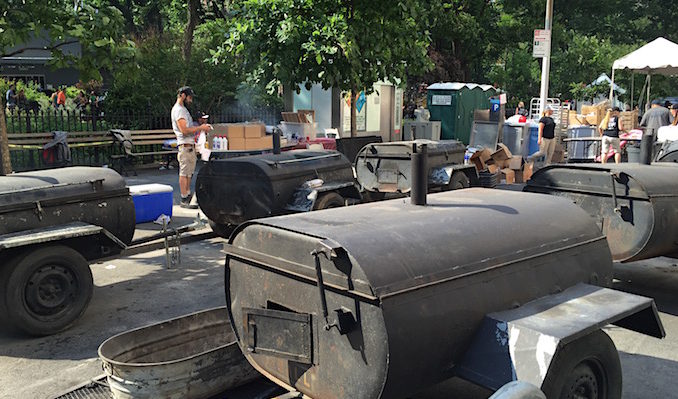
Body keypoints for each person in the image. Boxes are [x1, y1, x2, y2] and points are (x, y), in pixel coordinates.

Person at [171, 86, 211, 208]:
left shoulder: (183, 110)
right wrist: (201, 128)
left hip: (189, 146)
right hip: (185, 146)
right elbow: (184, 130)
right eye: (189, 97)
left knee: (189, 173)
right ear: (182, 95)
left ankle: (187, 195)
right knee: (184, 172)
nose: (191, 100)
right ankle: (184, 198)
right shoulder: (178, 110)